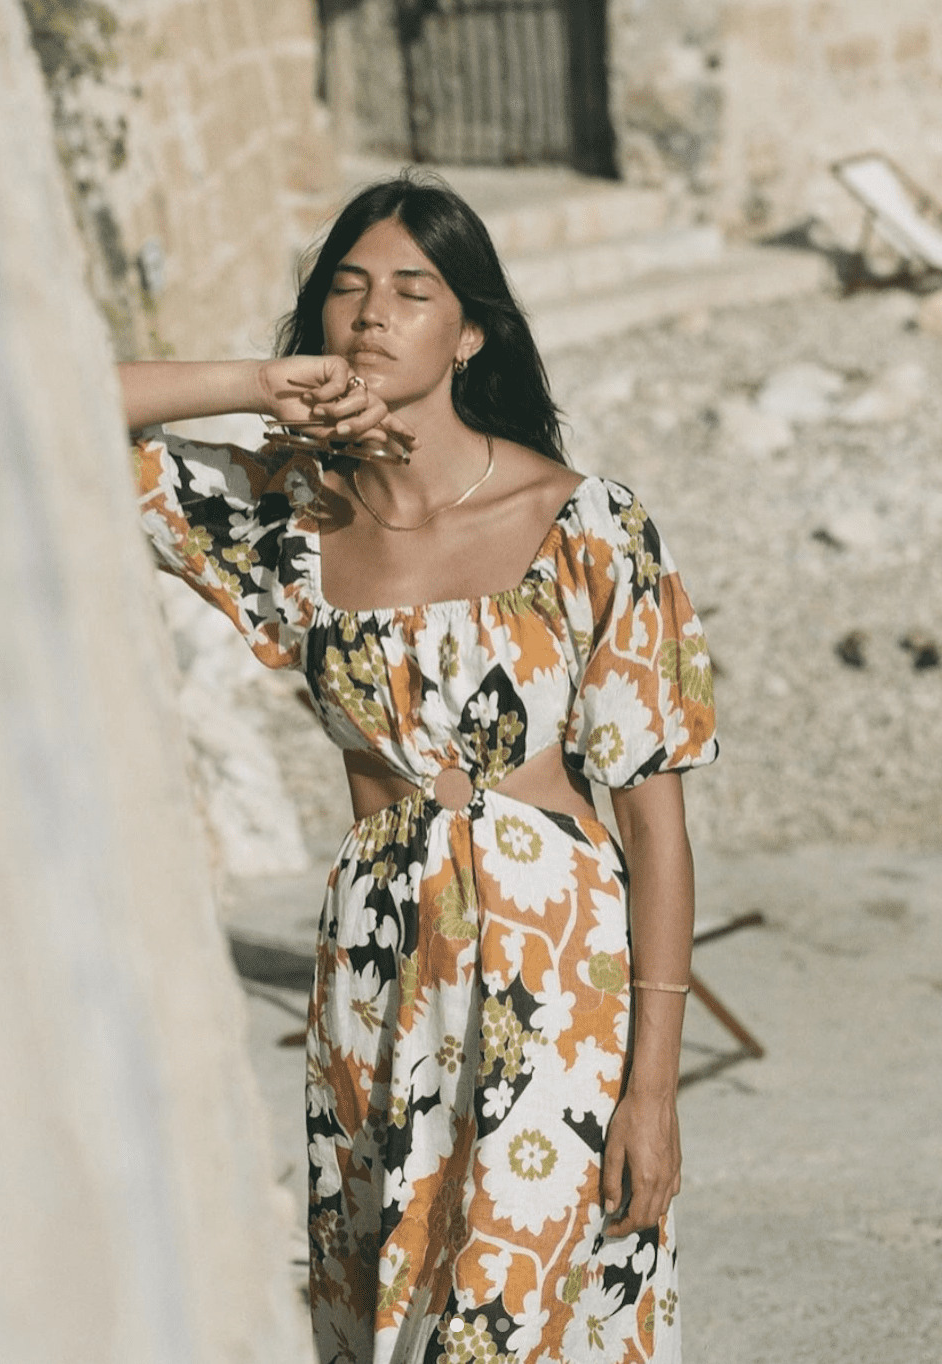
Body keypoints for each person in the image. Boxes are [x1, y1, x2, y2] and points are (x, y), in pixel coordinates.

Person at [121, 173, 717, 1364]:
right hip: (377, 977)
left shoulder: (585, 522)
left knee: (513, 1319)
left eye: (411, 289)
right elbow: (32, 409)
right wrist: (253, 385)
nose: (371, 314)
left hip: (562, 972)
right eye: (345, 290)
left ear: (471, 331)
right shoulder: (285, 524)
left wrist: (652, 1086)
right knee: (390, 1307)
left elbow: (656, 828)